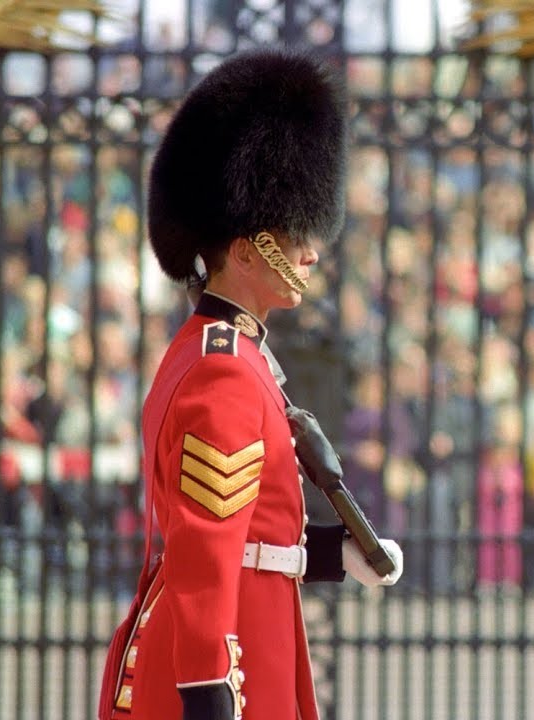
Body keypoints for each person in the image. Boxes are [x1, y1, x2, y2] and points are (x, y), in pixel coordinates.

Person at [97, 45, 404, 720]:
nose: (310, 251)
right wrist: (209, 692)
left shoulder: (226, 352)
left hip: (247, 626)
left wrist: (331, 552)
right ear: (243, 251)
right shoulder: (225, 372)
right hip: (229, 658)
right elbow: (205, 552)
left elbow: (248, 532)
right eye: (292, 234)